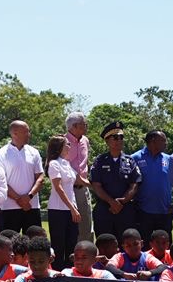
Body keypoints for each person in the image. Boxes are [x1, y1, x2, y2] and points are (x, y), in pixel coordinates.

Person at [89, 121, 141, 242]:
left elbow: (134, 184)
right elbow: (96, 185)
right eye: (115, 137)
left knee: (126, 244)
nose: (119, 140)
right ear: (107, 141)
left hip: (125, 210)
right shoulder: (100, 161)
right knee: (105, 244)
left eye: (121, 137)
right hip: (105, 209)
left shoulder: (130, 161)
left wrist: (122, 201)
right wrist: (111, 202)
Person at [0, 120, 44, 233]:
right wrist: (19, 199)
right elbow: (1, 182)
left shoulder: (34, 152)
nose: (29, 134)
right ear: (15, 133)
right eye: (26, 131)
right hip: (9, 208)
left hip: (32, 206)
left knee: (34, 243)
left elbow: (40, 177)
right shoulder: (1, 154)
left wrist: (29, 196)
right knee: (9, 244)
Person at [130, 130, 173, 240]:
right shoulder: (135, 158)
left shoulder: (169, 159)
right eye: (163, 140)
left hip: (165, 211)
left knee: (165, 245)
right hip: (143, 211)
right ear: (153, 141)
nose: (166, 143)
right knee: (144, 246)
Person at [44, 134, 79, 271]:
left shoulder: (66, 163)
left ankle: (70, 272)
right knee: (59, 245)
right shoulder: (54, 164)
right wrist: (72, 208)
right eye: (67, 145)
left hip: (71, 209)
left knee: (72, 244)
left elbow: (79, 181)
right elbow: (58, 188)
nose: (69, 147)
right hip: (58, 210)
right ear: (59, 147)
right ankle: (57, 272)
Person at [64, 113, 94, 244]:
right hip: (67, 189)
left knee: (86, 226)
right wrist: (78, 178)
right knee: (69, 227)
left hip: (83, 189)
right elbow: (61, 164)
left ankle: (88, 257)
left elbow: (85, 163)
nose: (86, 127)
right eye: (84, 124)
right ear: (74, 126)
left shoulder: (85, 141)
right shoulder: (62, 142)